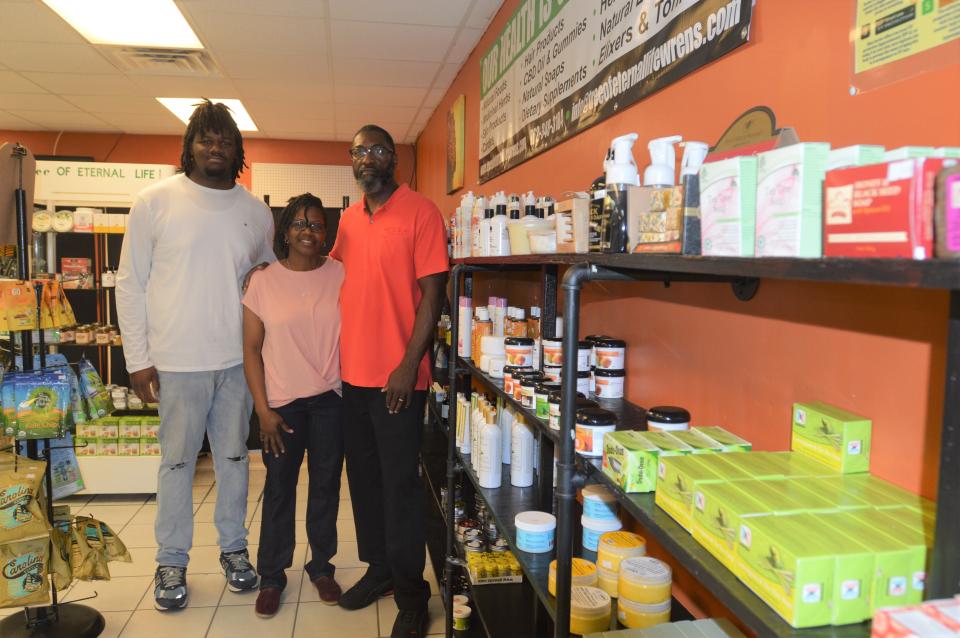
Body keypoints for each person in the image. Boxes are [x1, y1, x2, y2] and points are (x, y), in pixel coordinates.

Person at [116, 100, 274, 611]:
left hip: (236, 362)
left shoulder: (255, 211)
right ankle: (171, 560)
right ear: (189, 148)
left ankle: (234, 549)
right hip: (175, 362)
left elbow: (269, 281)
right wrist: (138, 357)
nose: (215, 147)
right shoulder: (155, 201)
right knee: (177, 464)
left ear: (237, 150)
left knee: (233, 461)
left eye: (224, 140)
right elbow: (130, 283)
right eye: (205, 139)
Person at [331, 125, 448, 638]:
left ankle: (412, 594)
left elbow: (433, 294)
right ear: (352, 161)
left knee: (400, 489)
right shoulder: (349, 220)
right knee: (363, 483)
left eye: (377, 149)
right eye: (359, 151)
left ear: (393, 158)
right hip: (350, 379)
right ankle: (379, 571)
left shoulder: (421, 212)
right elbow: (323, 277)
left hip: (398, 381)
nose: (368, 158)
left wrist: (407, 365)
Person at [242, 194, 345, 618]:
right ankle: (272, 575)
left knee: (325, 486)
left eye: (317, 225)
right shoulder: (263, 282)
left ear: (326, 234)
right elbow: (250, 349)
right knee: (280, 488)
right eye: (299, 224)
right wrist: (263, 410)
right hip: (282, 406)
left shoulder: (341, 273)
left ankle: (321, 566)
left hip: (331, 401)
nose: (308, 231)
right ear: (284, 232)